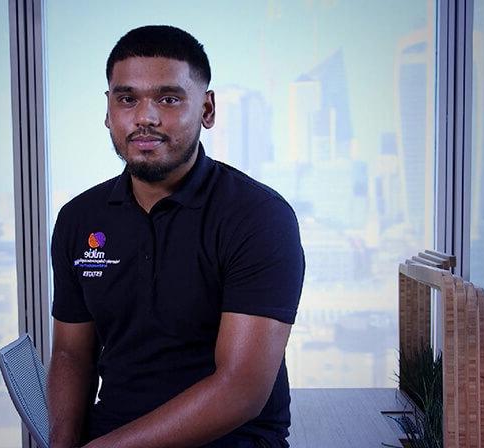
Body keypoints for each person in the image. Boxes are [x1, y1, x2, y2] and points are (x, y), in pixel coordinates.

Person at [48, 25, 305, 448]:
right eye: (127, 98)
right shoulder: (79, 218)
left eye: (168, 98)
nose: (145, 117)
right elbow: (72, 354)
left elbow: (241, 389)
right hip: (110, 433)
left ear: (206, 110)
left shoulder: (258, 216)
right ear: (108, 110)